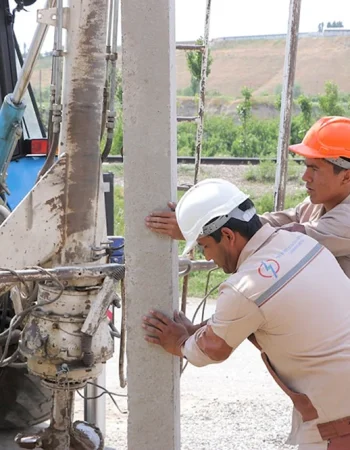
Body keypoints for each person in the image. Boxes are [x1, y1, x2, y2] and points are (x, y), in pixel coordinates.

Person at [142, 178, 350, 450]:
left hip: (338, 423)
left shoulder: (245, 286)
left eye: (205, 245)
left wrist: (181, 342)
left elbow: (212, 349)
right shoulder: (298, 243)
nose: (206, 257)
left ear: (228, 236)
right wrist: (196, 329)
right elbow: (257, 312)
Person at [145, 116, 350, 277]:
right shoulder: (318, 205)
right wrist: (206, 221)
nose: (306, 177)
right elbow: (275, 221)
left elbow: (285, 238)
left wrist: (205, 228)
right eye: (306, 167)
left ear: (346, 175)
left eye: (314, 169)